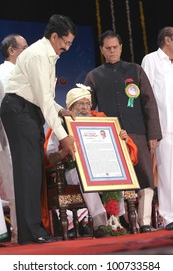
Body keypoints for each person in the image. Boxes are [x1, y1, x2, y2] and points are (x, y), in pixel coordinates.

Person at [0, 14, 77, 245]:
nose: (67, 47)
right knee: (28, 173)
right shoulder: (37, 55)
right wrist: (64, 138)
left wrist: (61, 110)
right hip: (19, 110)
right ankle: (32, 231)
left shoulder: (47, 54)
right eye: (66, 42)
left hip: (28, 110)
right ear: (54, 36)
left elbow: (42, 95)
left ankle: (30, 231)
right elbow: (42, 98)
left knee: (32, 173)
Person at [84, 30, 162, 233]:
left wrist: (153, 134)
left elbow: (149, 103)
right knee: (114, 177)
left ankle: (144, 222)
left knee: (145, 177)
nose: (112, 51)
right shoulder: (94, 76)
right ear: (101, 50)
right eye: (107, 48)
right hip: (109, 137)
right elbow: (87, 107)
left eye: (115, 47)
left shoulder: (135, 70)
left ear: (121, 48)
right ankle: (117, 221)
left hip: (137, 132)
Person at [45, 85, 126, 238]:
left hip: (100, 166)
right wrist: (65, 151)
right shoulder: (60, 125)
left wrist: (121, 138)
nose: (84, 108)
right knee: (86, 174)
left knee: (118, 173)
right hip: (73, 170)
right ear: (70, 107)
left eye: (87, 104)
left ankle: (116, 219)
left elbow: (113, 151)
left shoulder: (100, 123)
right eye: (79, 104)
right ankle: (99, 223)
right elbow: (50, 157)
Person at [141, 26, 173, 230]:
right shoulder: (151, 60)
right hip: (164, 128)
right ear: (168, 40)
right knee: (167, 174)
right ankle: (168, 217)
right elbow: (146, 97)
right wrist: (152, 131)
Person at [0, 34, 28, 244]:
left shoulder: (19, 73)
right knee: (14, 186)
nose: (27, 52)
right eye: (24, 48)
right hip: (7, 137)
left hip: (15, 136)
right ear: (11, 50)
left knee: (17, 185)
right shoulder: (5, 73)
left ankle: (20, 231)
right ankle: (19, 232)